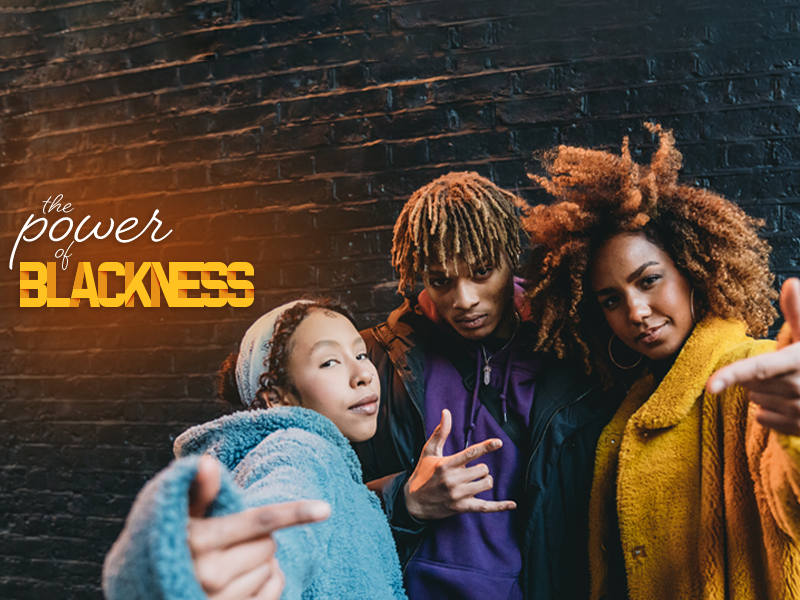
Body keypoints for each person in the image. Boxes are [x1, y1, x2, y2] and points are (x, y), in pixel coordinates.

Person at [520, 122, 800, 599]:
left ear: (692, 271)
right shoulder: (626, 414)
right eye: (611, 299)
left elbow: (789, 496)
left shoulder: (751, 373)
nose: (635, 311)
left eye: (648, 280)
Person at [353, 171, 626, 600]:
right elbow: (328, 495)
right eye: (441, 280)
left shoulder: (570, 345)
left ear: (509, 258)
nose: (464, 300)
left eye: (482, 272)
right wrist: (404, 500)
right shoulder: (376, 358)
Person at [103, 299, 407, 600]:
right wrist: (246, 570)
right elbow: (283, 525)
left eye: (361, 354)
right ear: (278, 397)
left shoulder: (331, 459)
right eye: (329, 361)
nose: (364, 374)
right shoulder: (299, 452)